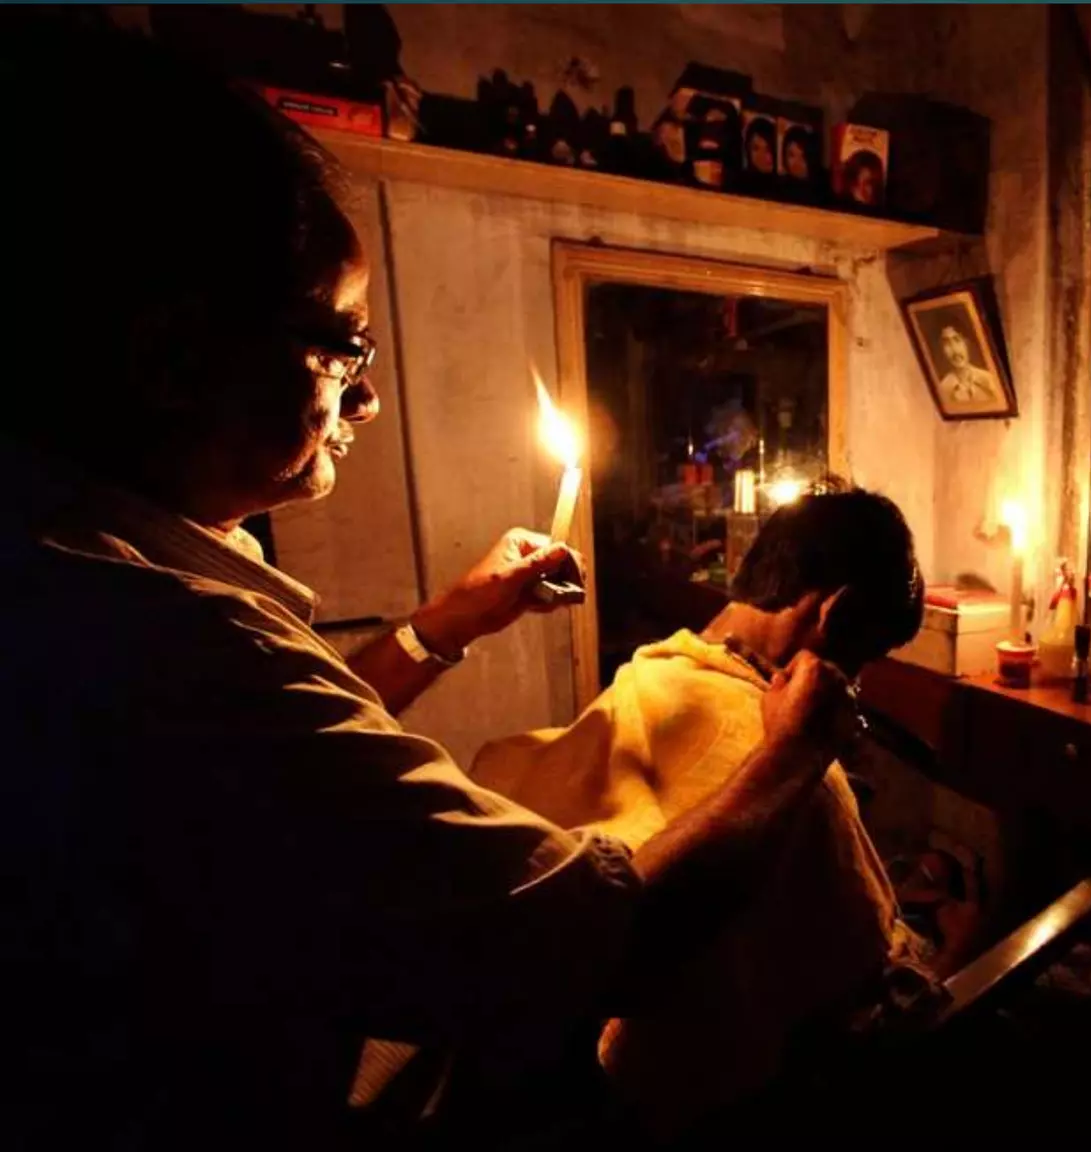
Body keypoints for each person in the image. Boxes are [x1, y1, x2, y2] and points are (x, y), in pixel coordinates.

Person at [0, 23, 849, 1146]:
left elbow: (272, 783)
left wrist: (443, 628)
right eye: (340, 349)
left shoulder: (86, 565)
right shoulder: (144, 649)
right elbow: (606, 943)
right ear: (173, 360)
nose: (367, 402)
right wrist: (795, 749)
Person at [468, 487, 930, 1137]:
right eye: (864, 658)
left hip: (530, 1074)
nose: (858, 684)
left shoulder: (647, 674)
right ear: (837, 611)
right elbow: (855, 979)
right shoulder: (799, 780)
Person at [935, 321, 1000, 406]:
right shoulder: (943, 390)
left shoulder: (988, 380)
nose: (955, 350)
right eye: (947, 344)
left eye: (957, 340)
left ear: (967, 343)